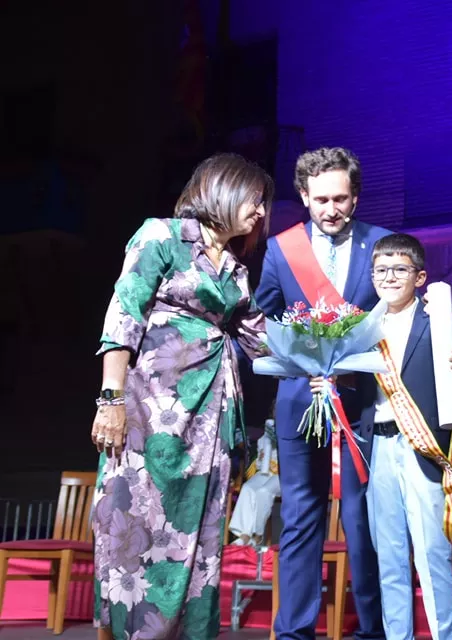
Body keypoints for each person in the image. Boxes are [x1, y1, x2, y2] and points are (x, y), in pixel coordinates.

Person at [90, 153, 272, 640]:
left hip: (209, 425)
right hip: (151, 415)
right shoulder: (161, 236)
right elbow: (123, 316)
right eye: (255, 199)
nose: (261, 212)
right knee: (134, 532)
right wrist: (110, 401)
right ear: (222, 190)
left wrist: (334, 348)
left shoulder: (234, 269)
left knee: (201, 538)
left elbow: (265, 342)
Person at [255, 147, 390, 640]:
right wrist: (295, 360)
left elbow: (396, 318)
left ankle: (372, 630)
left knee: (362, 520)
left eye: (341, 199)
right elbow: (263, 320)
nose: (331, 209)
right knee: (299, 517)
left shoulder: (380, 244)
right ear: (305, 197)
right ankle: (294, 631)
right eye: (321, 199)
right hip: (298, 400)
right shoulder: (280, 249)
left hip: (359, 403)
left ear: (355, 197)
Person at [312, 233, 452, 640]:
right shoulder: (363, 326)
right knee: (390, 555)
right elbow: (353, 388)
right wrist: (326, 385)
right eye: (381, 270)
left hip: (422, 447)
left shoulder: (440, 321)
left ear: (420, 277)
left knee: (432, 553)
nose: (388, 277)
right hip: (376, 447)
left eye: (399, 269)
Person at [228, 419, 281, 547]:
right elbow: (258, 464)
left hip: (283, 475)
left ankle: (258, 535)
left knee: (264, 492)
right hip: (266, 472)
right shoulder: (264, 439)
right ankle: (245, 535)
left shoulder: (290, 434)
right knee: (248, 488)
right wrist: (261, 459)